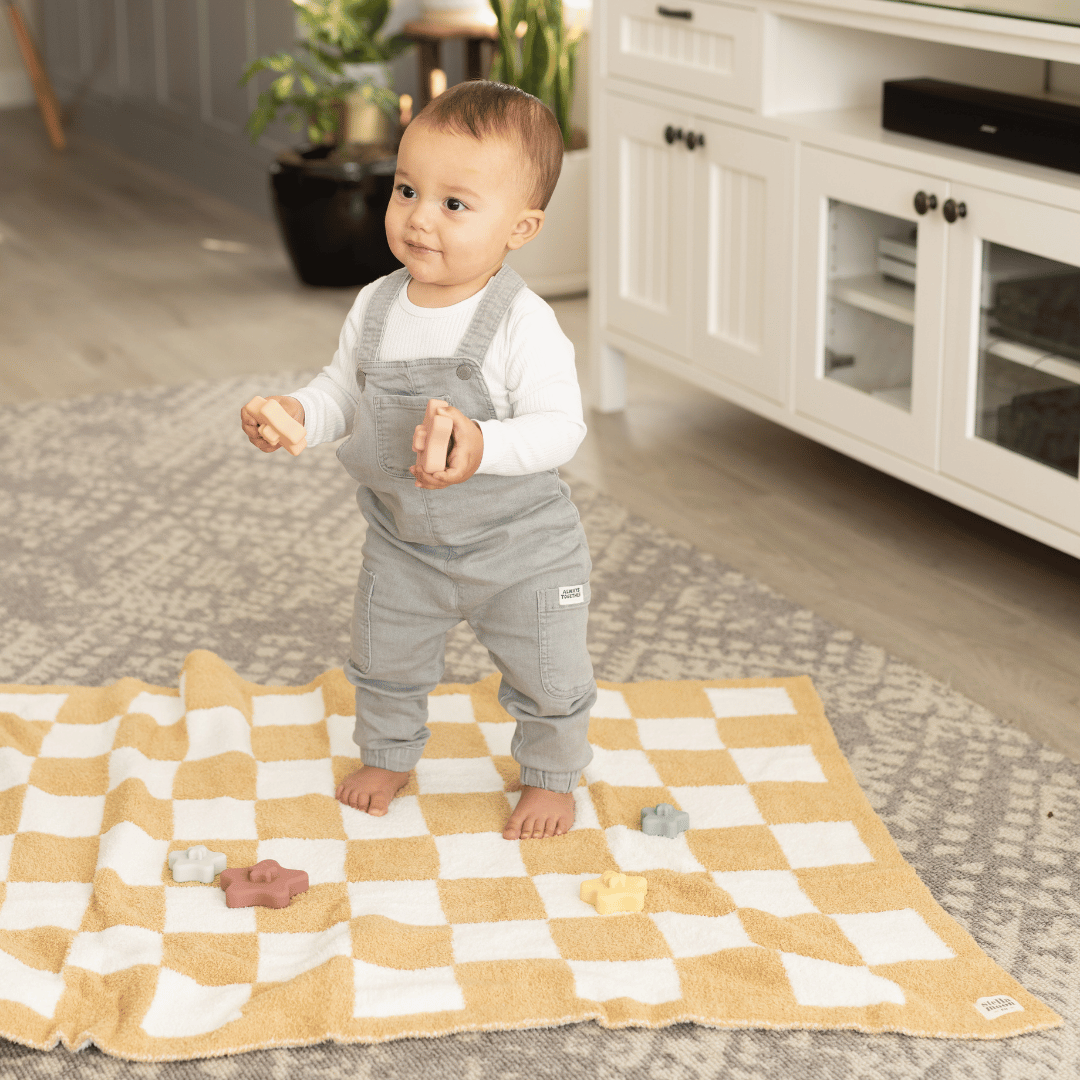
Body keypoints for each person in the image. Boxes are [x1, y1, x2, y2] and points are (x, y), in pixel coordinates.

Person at [241, 80, 595, 841]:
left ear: (521, 227)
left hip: (521, 548)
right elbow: (343, 391)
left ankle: (550, 773)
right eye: (407, 190)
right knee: (385, 659)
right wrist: (297, 416)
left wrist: (483, 445)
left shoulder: (522, 324)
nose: (418, 217)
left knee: (547, 670)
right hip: (404, 542)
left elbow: (561, 428)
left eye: (454, 204)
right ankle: (390, 754)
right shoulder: (376, 305)